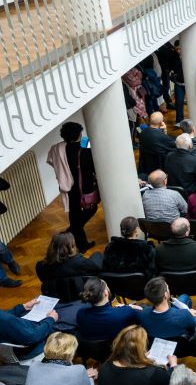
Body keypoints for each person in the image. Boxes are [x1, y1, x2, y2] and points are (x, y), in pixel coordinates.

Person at [0, 276, 58, 360]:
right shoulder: (5, 320)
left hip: (8, 348)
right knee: (60, 321)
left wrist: (23, 307)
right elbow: (32, 337)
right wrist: (50, 320)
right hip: (26, 351)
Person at [46, 121, 98, 251]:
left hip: (68, 187)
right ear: (79, 134)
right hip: (85, 186)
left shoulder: (57, 148)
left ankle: (77, 238)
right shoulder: (85, 147)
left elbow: (51, 161)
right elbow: (94, 166)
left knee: (74, 214)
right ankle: (74, 235)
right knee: (92, 208)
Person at [76, 277, 140, 341]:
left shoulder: (81, 314)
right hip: (117, 346)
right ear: (105, 293)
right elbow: (141, 312)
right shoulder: (125, 312)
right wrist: (130, 306)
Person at [35, 231, 102, 291]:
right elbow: (97, 268)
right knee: (97, 254)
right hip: (81, 292)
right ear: (72, 246)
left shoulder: (40, 267)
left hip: (56, 295)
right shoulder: (80, 263)